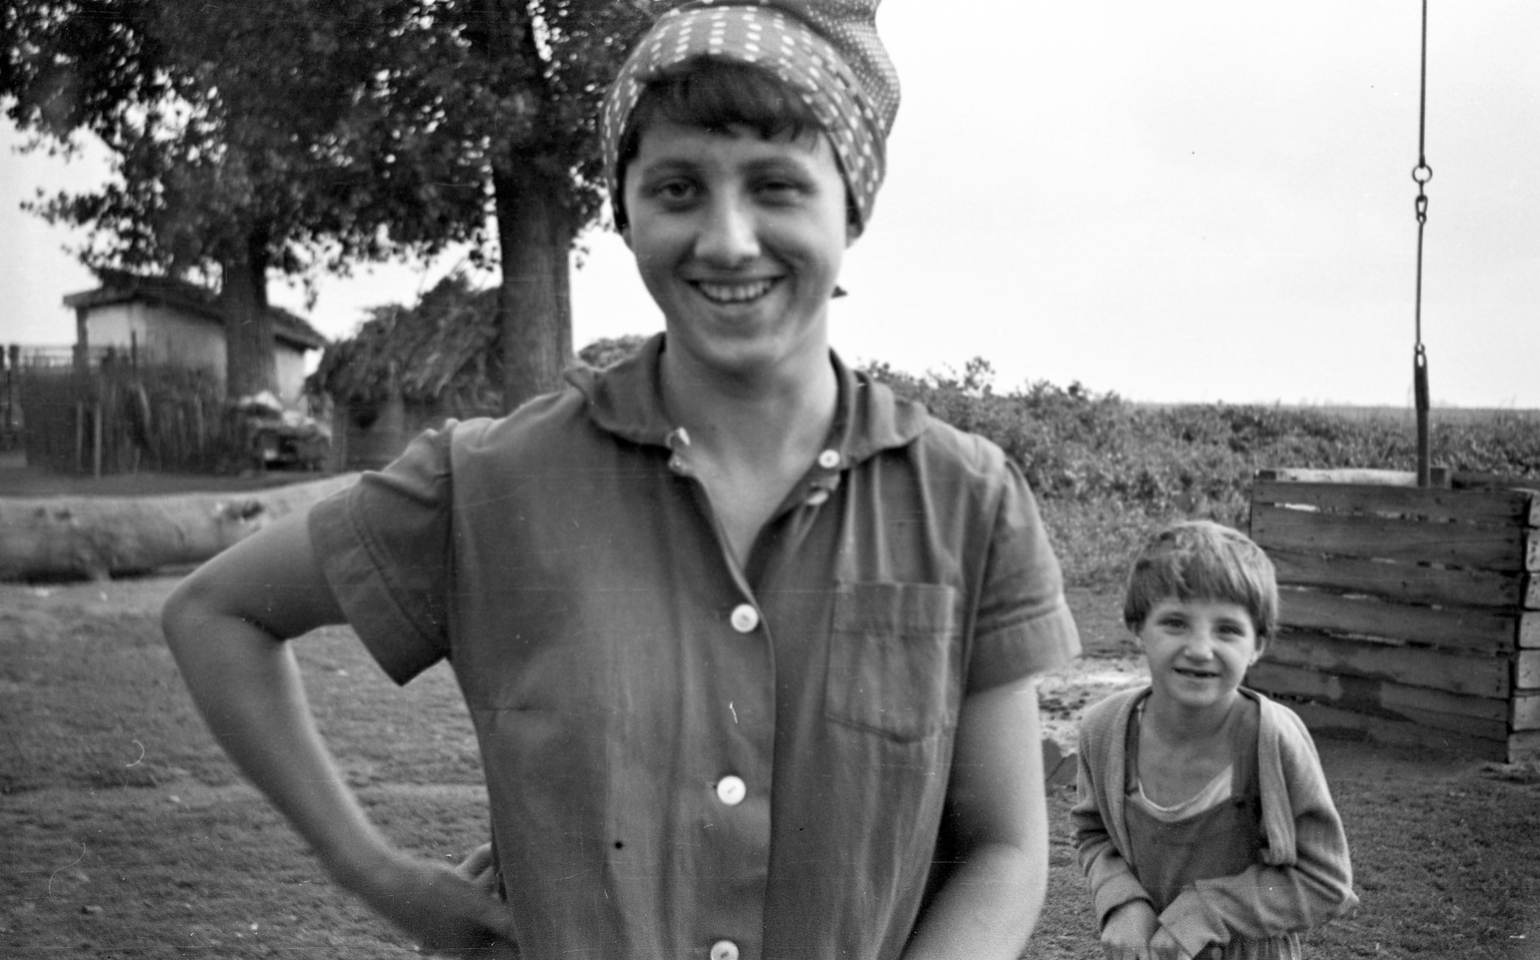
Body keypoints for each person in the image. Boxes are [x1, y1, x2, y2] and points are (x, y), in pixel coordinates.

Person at [161, 2, 1079, 958]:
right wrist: (381, 875)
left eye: (777, 186)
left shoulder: (966, 501)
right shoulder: (490, 483)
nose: (727, 239)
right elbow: (216, 614)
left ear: (852, 204)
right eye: (678, 188)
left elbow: (1005, 846)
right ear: (623, 208)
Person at [1069, 521, 1357, 960]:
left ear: (1258, 644)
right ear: (1137, 627)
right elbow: (1093, 833)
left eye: (1227, 630)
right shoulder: (1103, 730)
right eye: (1175, 623)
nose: (1201, 648)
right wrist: (1122, 901)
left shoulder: (1272, 738)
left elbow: (1325, 880)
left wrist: (1205, 911)